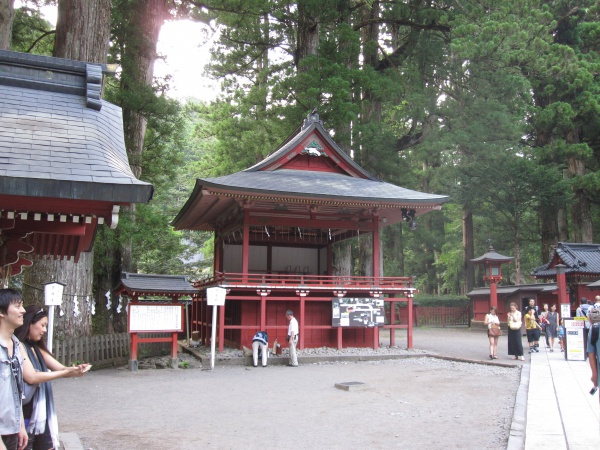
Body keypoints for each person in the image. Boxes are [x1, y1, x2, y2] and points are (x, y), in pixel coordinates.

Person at [15, 306, 88, 450]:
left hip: (42, 414)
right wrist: (65, 373)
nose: (44, 330)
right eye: (42, 325)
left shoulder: (36, 348)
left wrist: (77, 371)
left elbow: (61, 369)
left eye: (46, 326)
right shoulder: (19, 346)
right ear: (29, 323)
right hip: (27, 412)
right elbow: (32, 377)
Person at [0, 289, 28, 450]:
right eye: (17, 306)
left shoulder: (16, 345)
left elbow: (15, 390)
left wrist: (20, 426)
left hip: (11, 429)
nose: (23, 310)